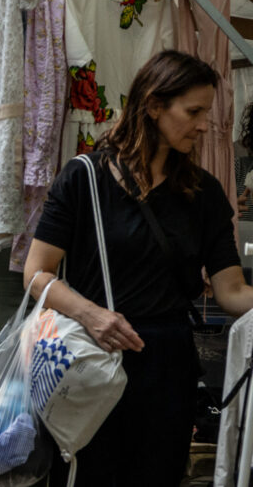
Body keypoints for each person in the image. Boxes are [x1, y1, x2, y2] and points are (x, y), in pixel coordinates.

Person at [26, 50, 253, 486]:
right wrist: (92, 314)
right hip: (90, 361)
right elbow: (36, 274)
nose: (203, 125)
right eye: (193, 112)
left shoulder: (203, 192)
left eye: (206, 113)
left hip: (168, 369)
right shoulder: (84, 178)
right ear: (153, 105)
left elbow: (231, 291)